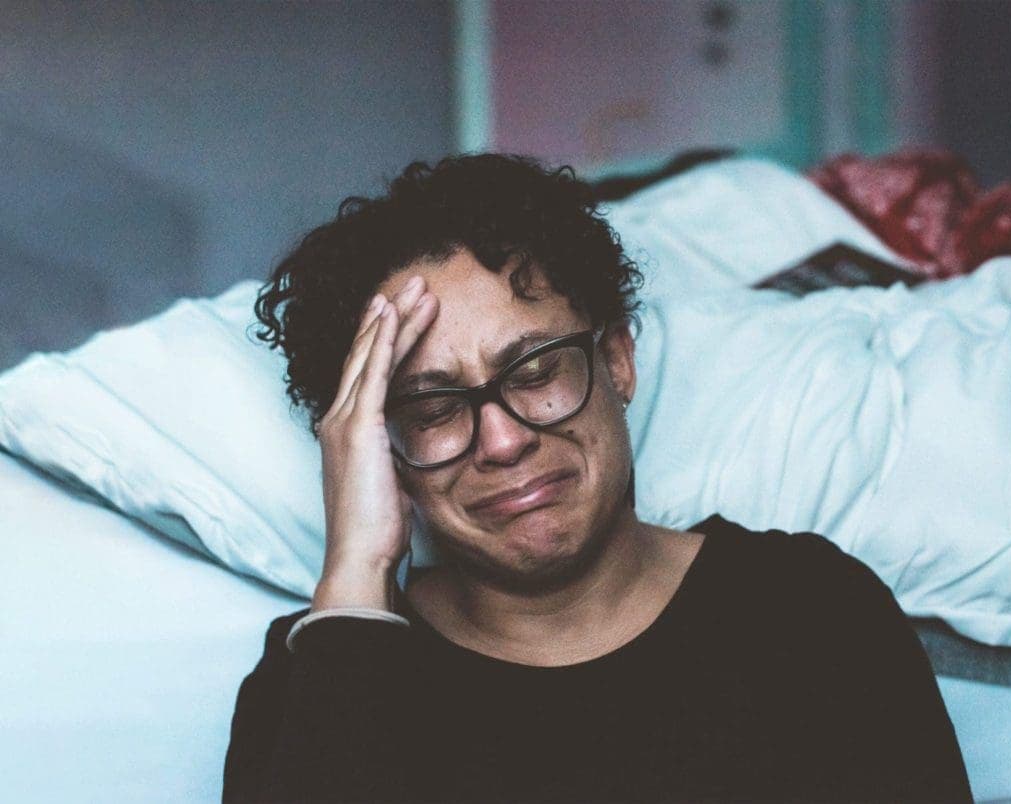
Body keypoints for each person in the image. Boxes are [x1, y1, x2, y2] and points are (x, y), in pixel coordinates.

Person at [223, 154, 972, 803]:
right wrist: (357, 572)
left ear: (617, 359)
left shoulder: (810, 613)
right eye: (433, 407)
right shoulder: (317, 677)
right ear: (380, 448)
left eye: (537, 369)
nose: (505, 439)